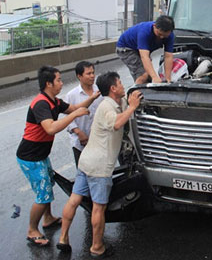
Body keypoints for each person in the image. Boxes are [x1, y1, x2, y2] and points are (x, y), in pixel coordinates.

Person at [57, 72, 142, 257]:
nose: (122, 85)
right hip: (99, 167)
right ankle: (97, 247)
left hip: (86, 161)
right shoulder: (106, 107)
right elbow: (117, 123)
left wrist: (139, 84)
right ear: (113, 88)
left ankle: (63, 238)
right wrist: (133, 107)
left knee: (74, 200)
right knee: (98, 208)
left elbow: (128, 101)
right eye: (120, 83)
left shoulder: (115, 102)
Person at [17, 66, 100, 247]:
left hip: (40, 155)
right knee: (43, 193)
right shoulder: (41, 103)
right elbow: (51, 128)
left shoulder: (54, 101)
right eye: (59, 80)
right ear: (49, 83)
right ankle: (32, 230)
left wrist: (92, 98)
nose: (61, 83)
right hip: (30, 157)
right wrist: (75, 115)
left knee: (48, 184)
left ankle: (48, 218)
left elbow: (75, 108)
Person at [116, 15, 176, 84]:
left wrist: (168, 78)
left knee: (149, 77)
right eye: (159, 34)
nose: (161, 37)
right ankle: (135, 90)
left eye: (165, 36)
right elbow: (144, 57)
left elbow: (168, 56)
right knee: (143, 75)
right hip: (126, 48)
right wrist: (154, 77)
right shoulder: (145, 32)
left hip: (141, 49)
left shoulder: (170, 36)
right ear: (154, 26)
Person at [64, 61, 103, 166]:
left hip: (100, 141)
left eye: (93, 73)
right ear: (79, 76)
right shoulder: (71, 95)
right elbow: (68, 118)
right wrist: (79, 132)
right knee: (83, 170)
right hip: (80, 143)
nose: (92, 76)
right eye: (88, 74)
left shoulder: (100, 91)